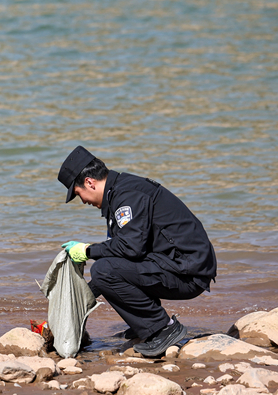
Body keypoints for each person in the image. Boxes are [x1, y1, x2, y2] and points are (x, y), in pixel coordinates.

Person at [56, 146, 216, 358]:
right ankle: (146, 327)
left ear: (89, 182)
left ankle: (163, 329)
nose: (83, 201)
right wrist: (80, 299)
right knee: (106, 268)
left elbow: (131, 248)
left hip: (189, 272)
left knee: (103, 269)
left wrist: (88, 251)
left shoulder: (127, 196)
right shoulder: (119, 193)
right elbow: (127, 252)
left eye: (78, 195)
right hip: (179, 265)